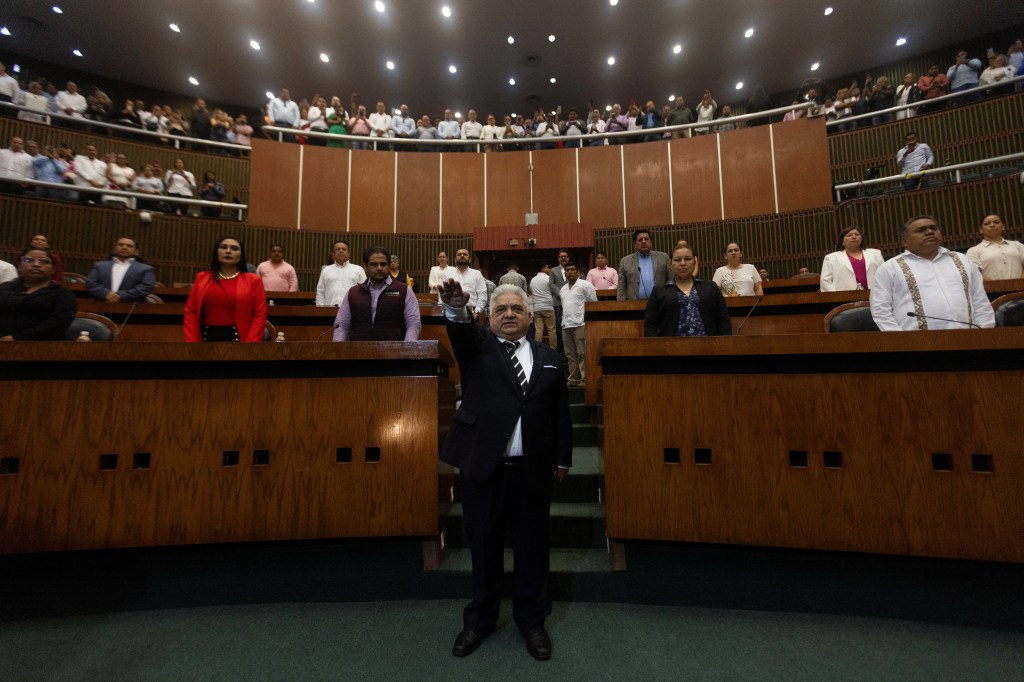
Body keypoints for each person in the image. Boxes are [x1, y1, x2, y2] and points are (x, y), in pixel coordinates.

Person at [438, 279, 572, 661]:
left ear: (531, 316)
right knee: (484, 547)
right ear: (489, 317)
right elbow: (461, 331)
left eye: (517, 309)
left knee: (532, 549)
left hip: (533, 471)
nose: (509, 315)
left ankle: (532, 622)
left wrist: (562, 456)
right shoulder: (477, 347)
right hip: (485, 468)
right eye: (501, 310)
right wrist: (454, 309)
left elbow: (559, 410)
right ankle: (479, 620)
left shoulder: (550, 357)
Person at [870, 216, 994, 331]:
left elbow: (980, 300)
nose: (930, 232)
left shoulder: (962, 260)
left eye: (934, 228)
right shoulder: (890, 268)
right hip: (918, 345)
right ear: (904, 241)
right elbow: (881, 310)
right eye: (920, 230)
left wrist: (983, 333)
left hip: (969, 339)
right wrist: (903, 342)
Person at [183, 237, 268, 342]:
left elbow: (260, 314)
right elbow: (191, 311)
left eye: (234, 248)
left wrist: (250, 344)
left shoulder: (253, 280)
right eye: (223, 247)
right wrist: (192, 342)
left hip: (240, 340)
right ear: (216, 252)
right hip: (206, 338)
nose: (228, 251)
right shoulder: (202, 278)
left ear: (241, 255)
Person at [332, 246, 420, 341]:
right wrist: (338, 351)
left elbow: (413, 324)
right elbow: (342, 325)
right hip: (358, 352)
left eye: (383, 264)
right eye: (374, 264)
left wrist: (407, 350)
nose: (379, 268)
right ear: (365, 267)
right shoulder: (353, 293)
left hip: (394, 352)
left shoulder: (404, 290)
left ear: (389, 265)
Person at [644, 244, 731, 337]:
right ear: (670, 265)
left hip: (709, 347)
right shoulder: (659, 291)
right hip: (670, 348)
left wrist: (724, 346)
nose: (682, 263)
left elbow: (723, 320)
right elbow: (650, 325)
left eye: (688, 259)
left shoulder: (710, 287)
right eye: (677, 260)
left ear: (695, 263)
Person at [0, 247, 77, 341]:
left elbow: (56, 325)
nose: (36, 264)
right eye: (29, 260)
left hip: (42, 348)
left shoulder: (63, 295)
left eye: (44, 261)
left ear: (53, 269)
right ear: (19, 266)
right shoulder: (4, 288)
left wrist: (15, 338)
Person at [558, 262, 597, 387]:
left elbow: (594, 304)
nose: (569, 272)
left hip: (581, 323)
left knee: (582, 353)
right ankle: (573, 378)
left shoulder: (586, 285)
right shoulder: (562, 289)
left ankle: (585, 378)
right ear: (564, 273)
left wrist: (590, 322)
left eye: (572, 269)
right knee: (570, 354)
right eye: (567, 270)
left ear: (578, 271)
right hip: (566, 325)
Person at [85, 237, 156, 303]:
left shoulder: (146, 269)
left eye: (129, 246)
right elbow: (91, 283)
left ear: (136, 251)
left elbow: (146, 287)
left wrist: (120, 296)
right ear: (115, 248)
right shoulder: (100, 266)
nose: (124, 247)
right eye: (121, 245)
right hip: (101, 304)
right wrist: (106, 294)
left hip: (132, 307)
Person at [819, 226, 885, 291]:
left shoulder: (875, 253)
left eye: (857, 234)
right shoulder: (831, 258)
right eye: (849, 235)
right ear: (842, 241)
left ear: (861, 239)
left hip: (875, 295)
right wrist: (836, 296)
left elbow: (885, 274)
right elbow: (825, 281)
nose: (854, 237)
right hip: (844, 297)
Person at [965, 214, 1024, 280]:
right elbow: (976, 274)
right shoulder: (973, 251)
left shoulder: (1017, 245)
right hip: (990, 289)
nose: (992, 225)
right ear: (981, 230)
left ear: (1003, 226)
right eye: (987, 224)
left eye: (996, 222)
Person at [617, 229, 671, 300]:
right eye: (640, 240)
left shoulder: (664, 257)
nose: (644, 241)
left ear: (651, 242)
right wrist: (621, 305)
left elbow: (671, 280)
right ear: (635, 244)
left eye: (646, 239)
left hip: (660, 303)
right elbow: (621, 286)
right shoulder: (625, 261)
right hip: (634, 305)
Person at [315, 240, 367, 306]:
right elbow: (320, 292)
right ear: (333, 254)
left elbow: (365, 291)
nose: (341, 251)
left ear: (349, 253)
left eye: (344, 249)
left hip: (352, 311)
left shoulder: (359, 269)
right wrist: (321, 309)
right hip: (329, 310)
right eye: (337, 249)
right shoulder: (326, 270)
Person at [529, 264, 556, 348]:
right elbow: (553, 290)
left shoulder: (532, 280)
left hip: (537, 307)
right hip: (548, 306)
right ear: (544, 268)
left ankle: (537, 348)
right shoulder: (548, 278)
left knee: (539, 329)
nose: (549, 269)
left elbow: (531, 292)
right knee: (551, 329)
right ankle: (553, 348)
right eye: (548, 267)